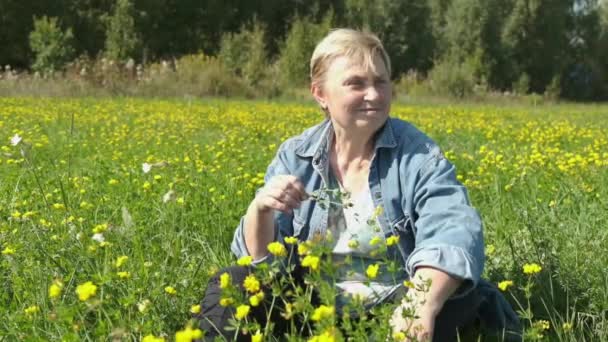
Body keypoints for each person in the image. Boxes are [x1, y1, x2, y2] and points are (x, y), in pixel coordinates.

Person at [197, 28, 520, 341]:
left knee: (456, 300)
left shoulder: (417, 154)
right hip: (313, 308)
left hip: (396, 308)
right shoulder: (296, 155)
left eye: (381, 82)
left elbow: (454, 229)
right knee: (235, 283)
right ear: (320, 94)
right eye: (356, 84)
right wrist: (261, 210)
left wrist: (419, 304)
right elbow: (263, 268)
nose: (374, 95)